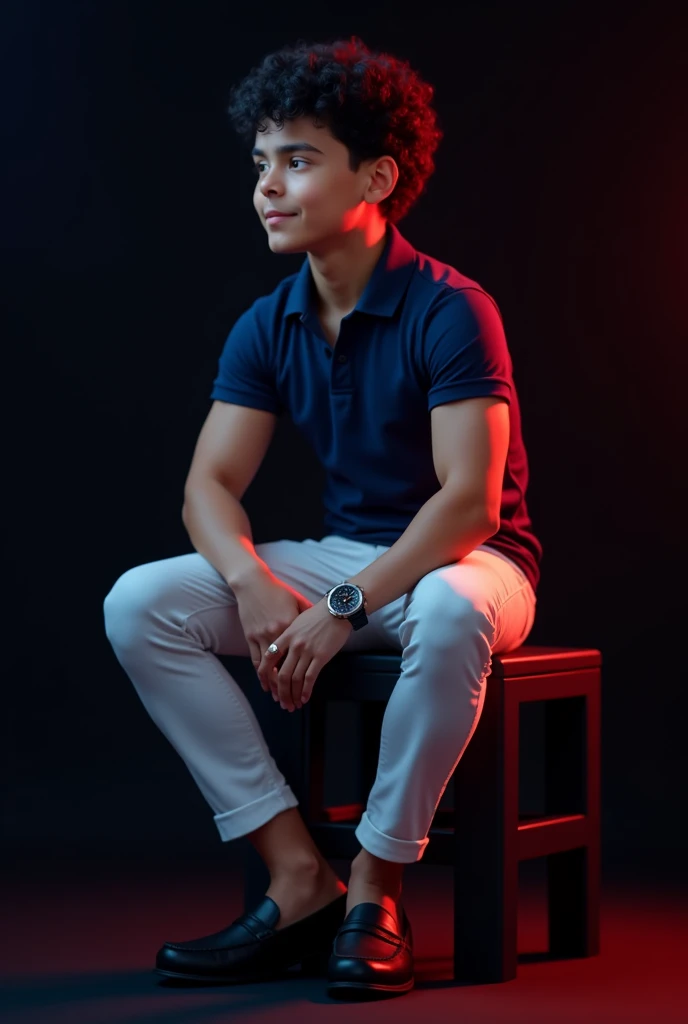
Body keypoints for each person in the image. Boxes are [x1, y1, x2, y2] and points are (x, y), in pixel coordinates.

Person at [103, 34, 542, 1001]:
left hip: (471, 561)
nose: (268, 185)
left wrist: (339, 601)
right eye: (261, 163)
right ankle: (299, 877)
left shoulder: (452, 311)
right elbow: (206, 490)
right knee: (141, 604)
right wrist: (256, 586)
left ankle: (375, 893)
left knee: (453, 612)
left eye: (298, 161)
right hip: (350, 555)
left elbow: (465, 503)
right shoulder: (270, 321)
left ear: (376, 176)